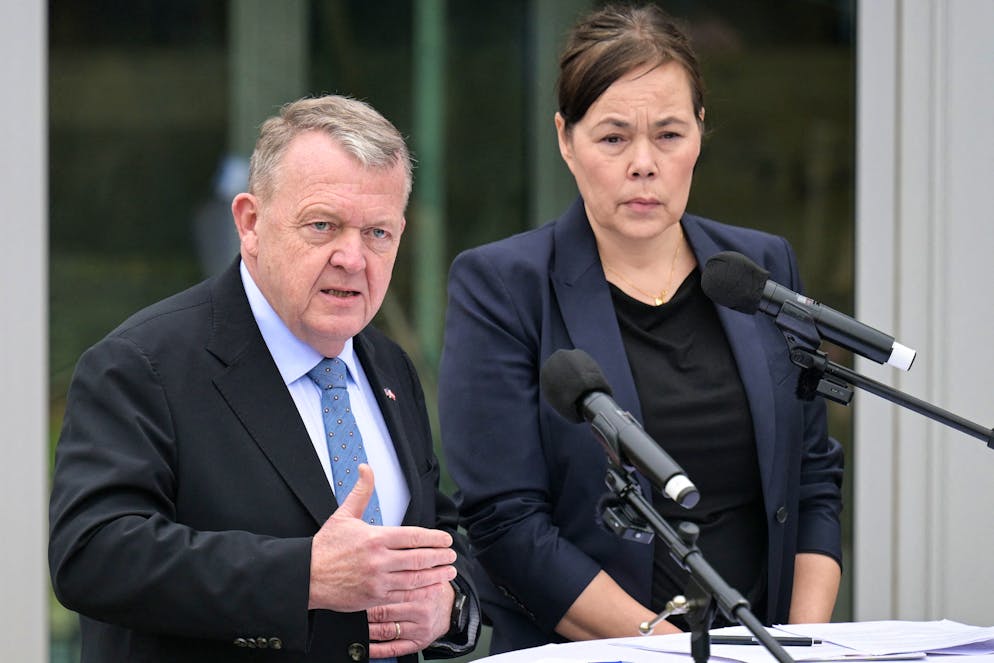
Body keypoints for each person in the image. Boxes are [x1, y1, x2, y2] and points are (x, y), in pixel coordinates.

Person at [438, 4, 843, 654]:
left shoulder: (762, 267)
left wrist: (798, 644)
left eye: (670, 135)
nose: (644, 164)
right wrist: (670, 648)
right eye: (614, 137)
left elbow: (814, 476)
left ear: (702, 134)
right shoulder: (503, 286)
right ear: (566, 140)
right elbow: (505, 522)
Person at [49, 95, 479, 663]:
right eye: (323, 225)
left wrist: (449, 606)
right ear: (250, 223)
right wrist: (305, 575)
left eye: (378, 233)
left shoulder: (389, 365)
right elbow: (94, 555)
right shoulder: (142, 364)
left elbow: (430, 526)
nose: (353, 258)